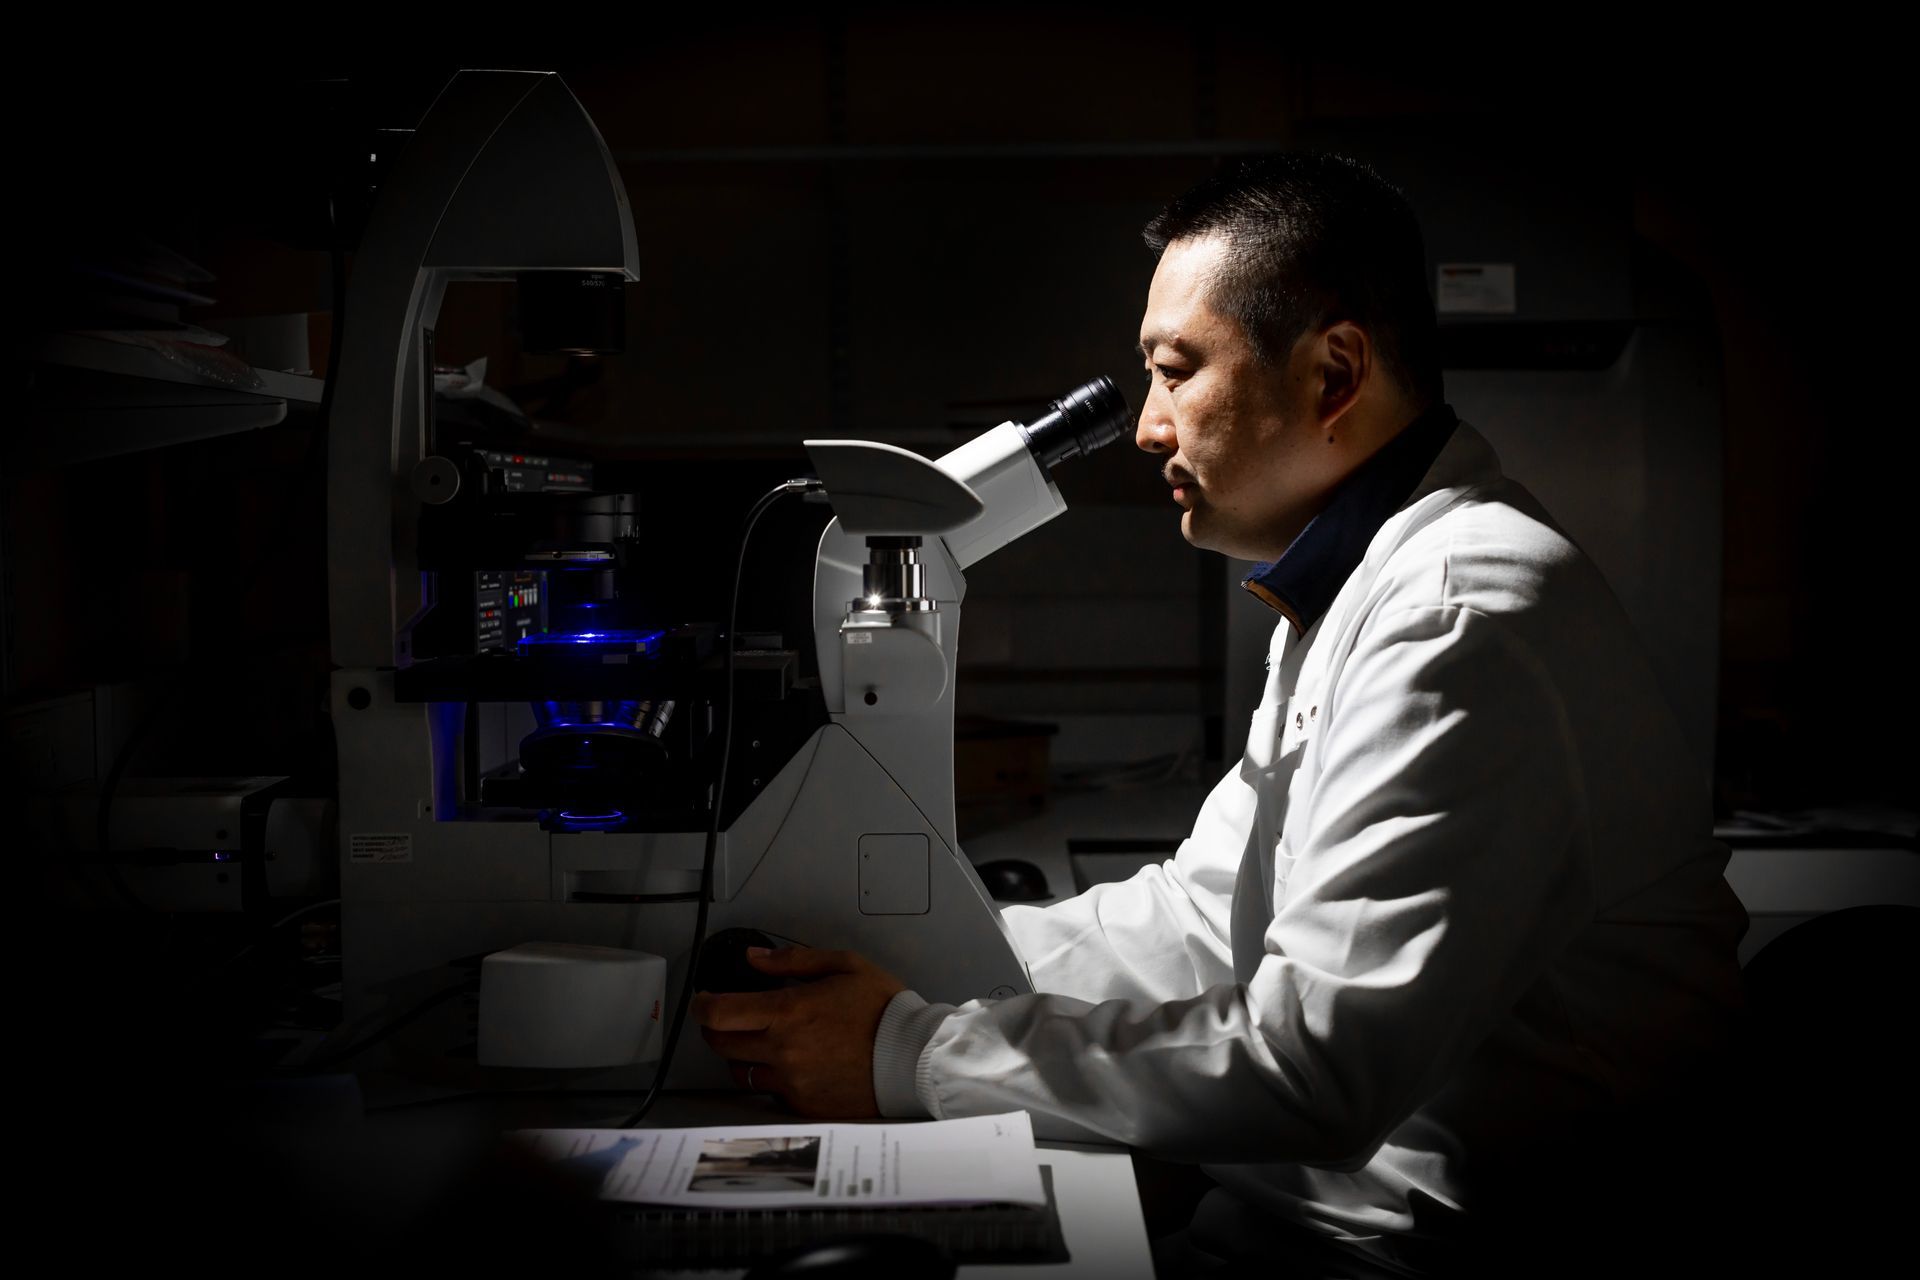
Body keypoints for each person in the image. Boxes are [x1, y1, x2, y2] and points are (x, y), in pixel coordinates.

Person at [694, 154, 1748, 1276]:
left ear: (1335, 373)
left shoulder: (1460, 614)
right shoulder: (1352, 589)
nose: (1149, 428)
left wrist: (911, 1051)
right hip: (1301, 1216)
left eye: (1175, 372)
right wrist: (923, 953)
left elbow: (1316, 1064)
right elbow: (1199, 919)